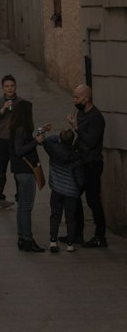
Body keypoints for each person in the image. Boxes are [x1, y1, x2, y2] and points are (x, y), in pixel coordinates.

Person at [69, 83, 106, 248]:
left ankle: (100, 236)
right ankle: (77, 233)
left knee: (93, 200)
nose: (74, 100)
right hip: (81, 162)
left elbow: (90, 142)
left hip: (92, 163)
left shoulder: (96, 117)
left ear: (86, 99)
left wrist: (76, 128)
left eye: (77, 97)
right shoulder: (81, 112)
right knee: (74, 195)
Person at [10, 99, 46, 251]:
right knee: (26, 207)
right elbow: (19, 150)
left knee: (22, 207)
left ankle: (22, 237)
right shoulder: (21, 129)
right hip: (25, 171)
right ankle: (27, 239)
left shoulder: (15, 127)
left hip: (19, 171)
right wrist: (36, 142)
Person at [43, 128, 84, 251]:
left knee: (55, 215)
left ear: (60, 140)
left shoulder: (53, 151)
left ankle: (53, 241)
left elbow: (46, 140)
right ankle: (70, 244)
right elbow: (80, 179)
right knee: (70, 218)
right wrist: (78, 190)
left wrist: (57, 137)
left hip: (56, 189)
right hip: (71, 192)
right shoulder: (76, 156)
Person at [0, 74, 19, 208]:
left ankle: (20, 196)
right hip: (2, 140)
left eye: (12, 86)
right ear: (3, 88)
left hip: (17, 140)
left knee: (18, 169)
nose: (10, 88)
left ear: (15, 87)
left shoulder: (21, 102)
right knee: (1, 168)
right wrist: (3, 109)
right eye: (7, 86)